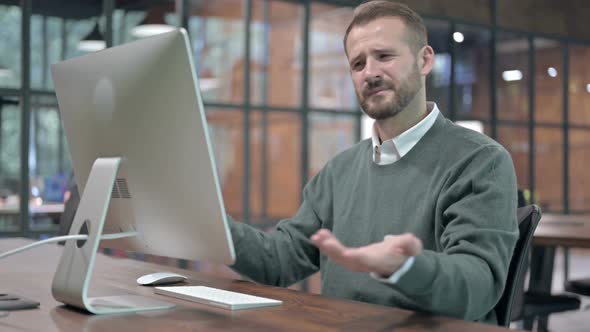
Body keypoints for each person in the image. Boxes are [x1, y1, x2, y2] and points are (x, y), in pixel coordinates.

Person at [228, 0, 518, 325]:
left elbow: (477, 287)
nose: (371, 73)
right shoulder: (339, 170)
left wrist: (408, 267)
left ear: (424, 61)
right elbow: (279, 262)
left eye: (384, 56)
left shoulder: (480, 160)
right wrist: (213, 227)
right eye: (358, 63)